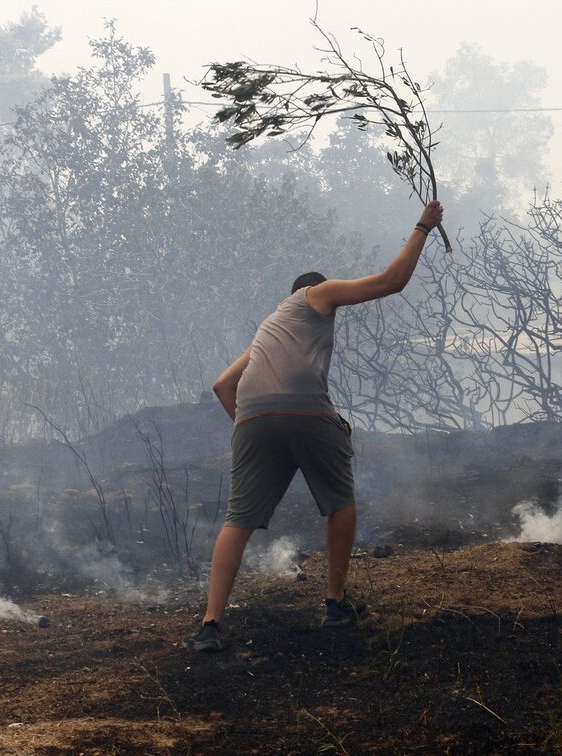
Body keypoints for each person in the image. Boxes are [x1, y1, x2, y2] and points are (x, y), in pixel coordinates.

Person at [185, 200, 444, 653]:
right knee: (339, 503)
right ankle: (335, 603)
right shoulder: (314, 296)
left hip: (253, 418)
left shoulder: (270, 328)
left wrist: (257, 428)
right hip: (304, 412)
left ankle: (210, 625)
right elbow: (391, 282)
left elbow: (223, 385)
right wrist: (424, 225)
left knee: (238, 519)